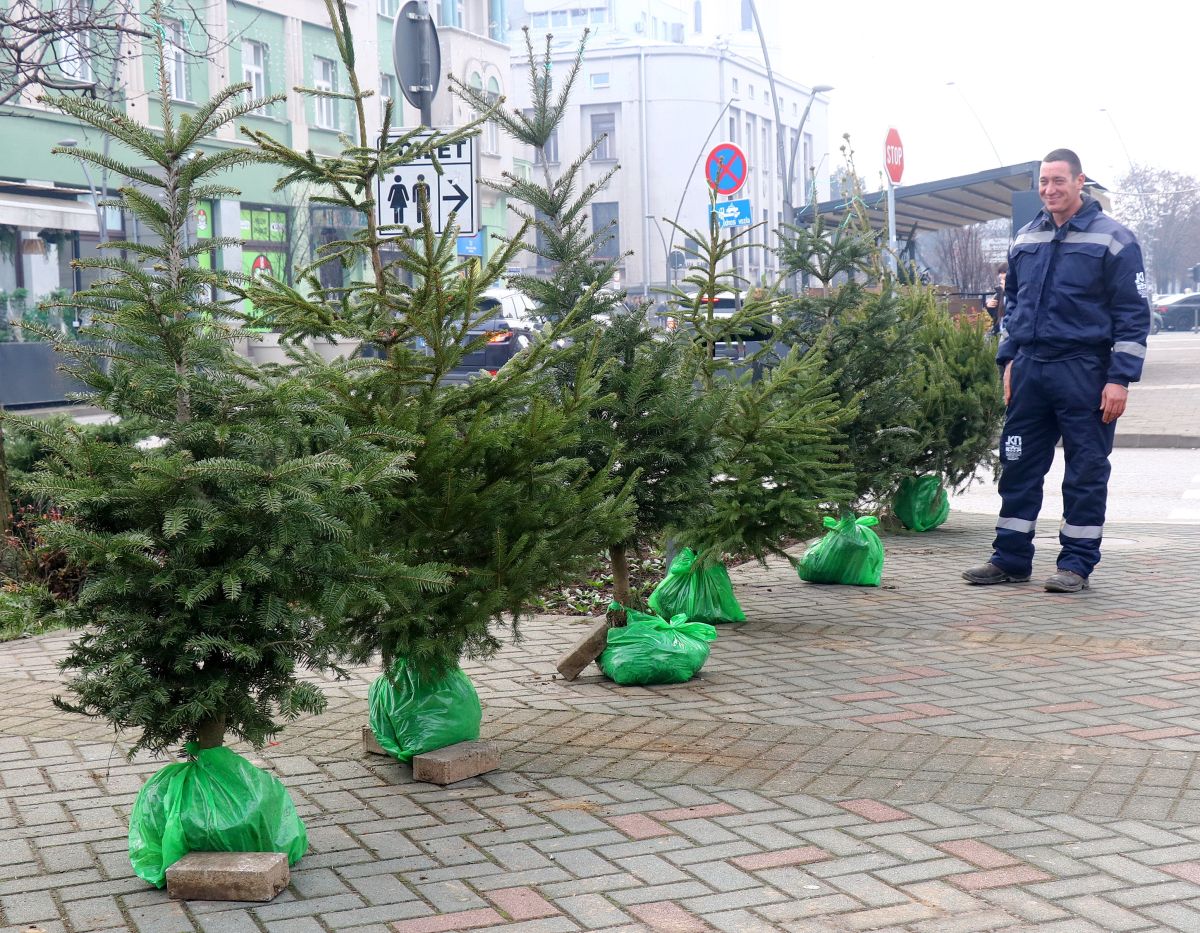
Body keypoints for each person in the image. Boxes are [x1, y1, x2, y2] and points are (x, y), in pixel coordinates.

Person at [962, 148, 1149, 593]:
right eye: (1044, 181)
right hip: (1030, 369)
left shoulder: (1114, 239)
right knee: (1017, 465)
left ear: (1079, 181)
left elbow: (1132, 314)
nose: (1049, 189)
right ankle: (1010, 558)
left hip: (1084, 370)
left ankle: (1076, 564)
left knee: (1085, 470)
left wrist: (1119, 378)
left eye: (1058, 181)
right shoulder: (1026, 237)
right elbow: (1013, 305)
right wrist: (1009, 360)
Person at [984, 262, 1007, 335]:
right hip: (999, 333)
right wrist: (989, 307)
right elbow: (996, 316)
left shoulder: (1017, 293)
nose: (1000, 275)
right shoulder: (999, 294)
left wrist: (1007, 291)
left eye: (1004, 272)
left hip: (1010, 333)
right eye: (1000, 273)